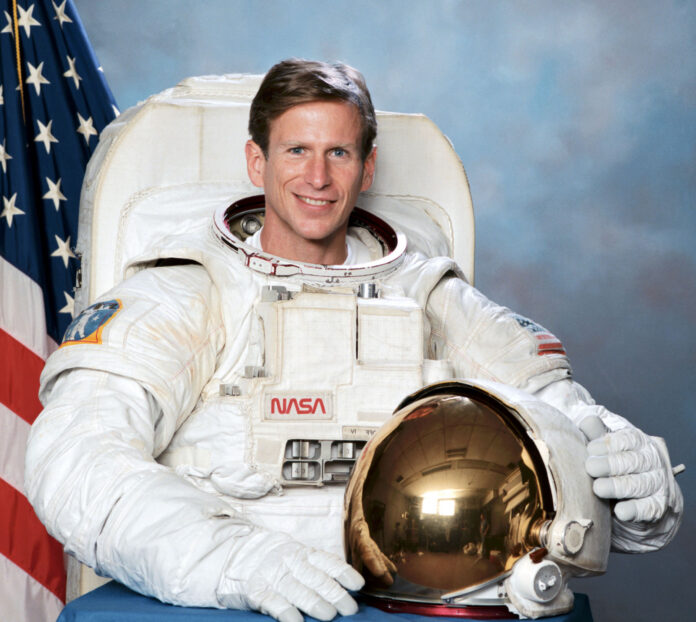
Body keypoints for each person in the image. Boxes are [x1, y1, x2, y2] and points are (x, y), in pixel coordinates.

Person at [25, 59, 683, 622]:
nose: (318, 177)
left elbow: (552, 414)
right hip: (222, 599)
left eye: (338, 152)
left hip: (414, 597)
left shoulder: (431, 295)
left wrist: (629, 479)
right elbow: (78, 462)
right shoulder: (186, 292)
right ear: (257, 160)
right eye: (296, 151)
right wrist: (235, 561)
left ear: (366, 168)